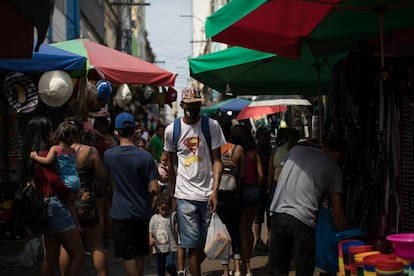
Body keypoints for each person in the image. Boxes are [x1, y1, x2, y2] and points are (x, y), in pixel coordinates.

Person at [163, 86, 226, 276]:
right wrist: (173, 194)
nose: (193, 109)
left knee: (208, 243)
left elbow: (217, 161)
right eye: (189, 105)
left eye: (196, 105)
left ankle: (191, 268)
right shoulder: (171, 130)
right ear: (182, 105)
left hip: (207, 195)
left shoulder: (212, 126)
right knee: (191, 244)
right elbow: (170, 165)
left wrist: (215, 191)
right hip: (185, 195)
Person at [268, 139, 345, 276]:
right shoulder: (334, 168)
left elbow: (279, 178)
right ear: (338, 155)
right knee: (304, 269)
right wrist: (342, 235)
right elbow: (337, 210)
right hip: (303, 220)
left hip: (278, 213)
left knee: (278, 269)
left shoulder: (295, 150)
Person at [22, 117, 85, 276]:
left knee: (50, 258)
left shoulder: (34, 156)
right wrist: (71, 195)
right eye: (50, 130)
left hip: (47, 205)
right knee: (78, 254)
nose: (53, 133)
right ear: (44, 133)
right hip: (55, 206)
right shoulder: (44, 155)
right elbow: (54, 180)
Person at [104, 112, 159, 276]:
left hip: (120, 213)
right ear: (135, 131)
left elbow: (104, 179)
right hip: (142, 212)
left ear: (116, 132)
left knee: (129, 256)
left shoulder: (109, 155)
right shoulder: (146, 157)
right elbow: (154, 188)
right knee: (140, 253)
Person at [59, 120, 108, 276]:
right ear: (79, 133)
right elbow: (101, 177)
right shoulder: (90, 151)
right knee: (96, 246)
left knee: (65, 246)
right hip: (86, 202)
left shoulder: (56, 151)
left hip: (65, 203)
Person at [30, 120, 81, 231]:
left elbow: (47, 162)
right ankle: (77, 225)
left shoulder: (55, 149)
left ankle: (74, 226)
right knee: (71, 205)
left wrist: (35, 157)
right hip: (75, 180)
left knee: (68, 204)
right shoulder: (72, 150)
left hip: (65, 181)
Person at [230, 124, 263, 276]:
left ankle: (246, 264)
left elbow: (238, 175)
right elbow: (261, 175)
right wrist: (257, 186)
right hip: (254, 190)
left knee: (242, 231)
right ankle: (246, 259)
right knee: (249, 227)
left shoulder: (237, 151)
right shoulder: (254, 153)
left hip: (243, 191)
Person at [215, 115, 244, 276]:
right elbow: (242, 174)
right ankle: (238, 269)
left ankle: (225, 271)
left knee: (222, 233)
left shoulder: (214, 149)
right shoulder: (238, 149)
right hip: (235, 196)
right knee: (236, 232)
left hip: (220, 197)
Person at [149, 191, 178, 276]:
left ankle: (174, 273)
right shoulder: (154, 218)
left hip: (170, 248)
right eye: (162, 209)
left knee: (170, 265)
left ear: (170, 208)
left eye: (167, 209)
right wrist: (151, 239)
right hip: (158, 249)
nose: (164, 212)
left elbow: (176, 220)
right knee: (160, 268)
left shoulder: (172, 216)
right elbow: (150, 230)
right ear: (158, 207)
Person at [254, 126, 272, 252]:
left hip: (270, 188)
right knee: (258, 217)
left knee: (270, 215)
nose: (266, 138)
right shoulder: (255, 151)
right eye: (264, 135)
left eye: (267, 135)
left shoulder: (272, 150)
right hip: (259, 188)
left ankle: (270, 239)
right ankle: (258, 240)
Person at [268, 128, 300, 198]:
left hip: (278, 185)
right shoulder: (301, 151)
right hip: (295, 186)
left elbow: (271, 173)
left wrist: (269, 189)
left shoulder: (276, 151)